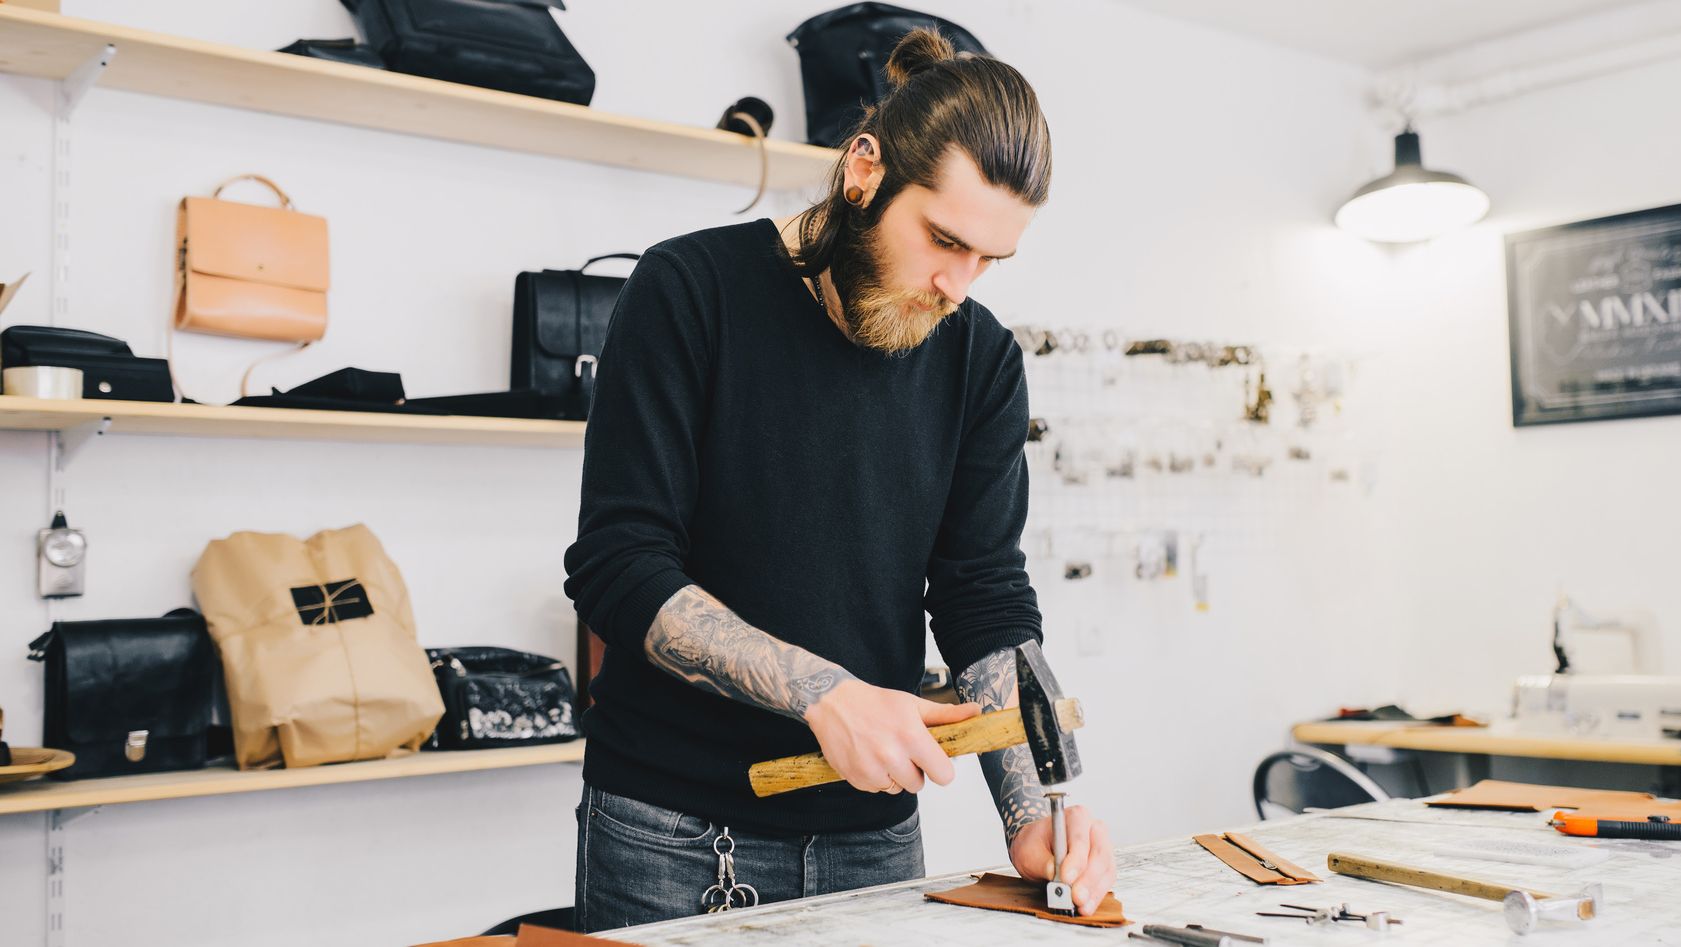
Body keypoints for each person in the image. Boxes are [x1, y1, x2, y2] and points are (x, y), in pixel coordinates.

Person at [563, 27, 1114, 932]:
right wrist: (823, 693)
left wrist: (1034, 814)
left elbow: (983, 599)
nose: (956, 283)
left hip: (875, 835)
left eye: (988, 259)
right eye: (942, 238)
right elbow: (619, 565)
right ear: (864, 170)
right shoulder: (688, 289)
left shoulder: (980, 358)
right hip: (674, 829)